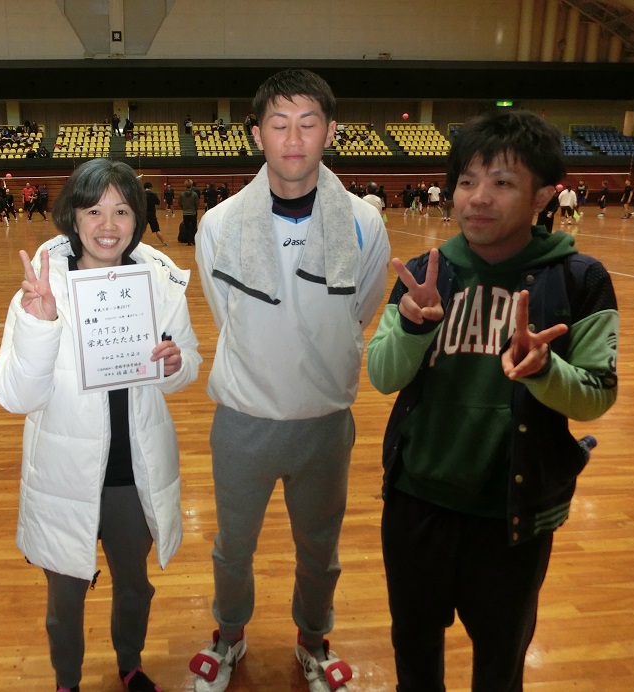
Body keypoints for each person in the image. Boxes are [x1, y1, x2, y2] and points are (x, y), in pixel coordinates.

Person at [366, 109, 618, 691]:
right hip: (416, 504)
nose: (478, 198)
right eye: (467, 181)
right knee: (414, 658)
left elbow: (596, 395)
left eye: (502, 182)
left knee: (501, 667)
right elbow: (382, 375)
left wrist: (545, 370)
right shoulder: (428, 273)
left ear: (543, 195)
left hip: (513, 515)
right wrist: (413, 326)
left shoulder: (579, 279)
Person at [190, 68, 389, 692]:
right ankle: (229, 635)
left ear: (330, 131)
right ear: (258, 135)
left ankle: (313, 640)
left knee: (320, 549)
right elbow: (229, 315)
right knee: (232, 547)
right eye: (279, 124)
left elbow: (358, 312)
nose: (294, 138)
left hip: (324, 424)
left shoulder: (364, 223)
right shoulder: (219, 224)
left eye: (308, 123)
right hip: (243, 421)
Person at [0, 159, 201, 692]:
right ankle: (67, 680)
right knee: (65, 598)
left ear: (137, 219)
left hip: (134, 472)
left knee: (134, 586)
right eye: (94, 211)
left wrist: (176, 364)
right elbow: (14, 395)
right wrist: (39, 325)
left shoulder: (158, 282)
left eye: (122, 211)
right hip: (65, 474)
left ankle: (130, 664)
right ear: (73, 217)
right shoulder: (41, 288)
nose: (108, 225)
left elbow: (187, 364)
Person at [143, 181, 168, 246]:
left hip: (144, 214)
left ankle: (134, 244)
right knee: (157, 229)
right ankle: (163, 243)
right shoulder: (153, 194)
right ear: (150, 187)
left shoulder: (141, 194)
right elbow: (158, 202)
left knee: (140, 231)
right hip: (152, 214)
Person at [177, 179, 198, 245]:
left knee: (187, 227)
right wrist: (194, 209)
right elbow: (196, 203)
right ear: (191, 185)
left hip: (185, 213)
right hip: (193, 213)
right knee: (193, 227)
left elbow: (179, 203)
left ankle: (189, 241)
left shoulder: (182, 194)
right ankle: (193, 240)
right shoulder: (194, 194)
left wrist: (183, 208)